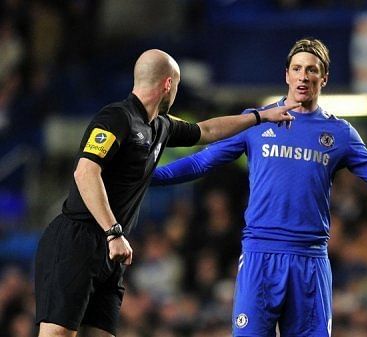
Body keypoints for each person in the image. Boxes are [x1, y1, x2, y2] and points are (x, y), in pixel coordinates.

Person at [151, 38, 367, 337]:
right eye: (297, 68)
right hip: (260, 256)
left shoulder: (339, 134)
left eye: (312, 70)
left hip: (309, 261)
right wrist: (148, 177)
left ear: (323, 78)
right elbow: (200, 162)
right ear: (286, 74)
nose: (304, 76)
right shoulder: (255, 121)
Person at [34, 49, 297, 337]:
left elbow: (207, 130)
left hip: (109, 251)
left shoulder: (160, 126)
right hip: (78, 238)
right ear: (168, 85)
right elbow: (85, 172)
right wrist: (113, 231)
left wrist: (259, 117)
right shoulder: (116, 118)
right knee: (58, 333)